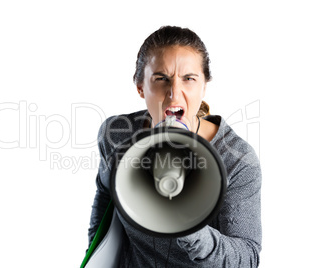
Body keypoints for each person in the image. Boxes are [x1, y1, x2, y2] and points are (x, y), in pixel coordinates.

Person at [87, 26, 262, 267]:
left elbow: (247, 257)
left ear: (204, 86)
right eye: (161, 79)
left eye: (189, 79)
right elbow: (106, 198)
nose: (174, 94)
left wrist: (187, 226)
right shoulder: (117, 135)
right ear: (140, 87)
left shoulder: (238, 159)